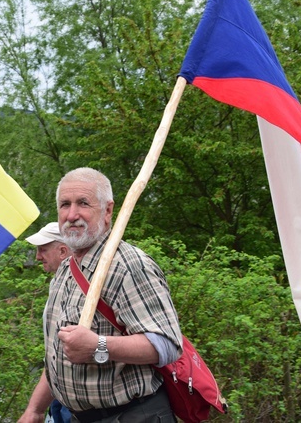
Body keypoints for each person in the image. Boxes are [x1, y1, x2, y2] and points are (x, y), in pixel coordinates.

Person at [19, 167, 183, 423]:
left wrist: (99, 346)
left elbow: (167, 345)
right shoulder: (64, 271)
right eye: (65, 205)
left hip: (133, 416)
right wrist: (35, 410)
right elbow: (57, 355)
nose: (71, 215)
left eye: (83, 203)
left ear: (107, 211)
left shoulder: (129, 265)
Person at [25, 221, 73, 423]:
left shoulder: (76, 288)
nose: (37, 256)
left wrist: (35, 410)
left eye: (43, 249)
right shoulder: (57, 283)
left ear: (63, 251)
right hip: (59, 396)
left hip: (74, 403)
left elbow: (62, 354)